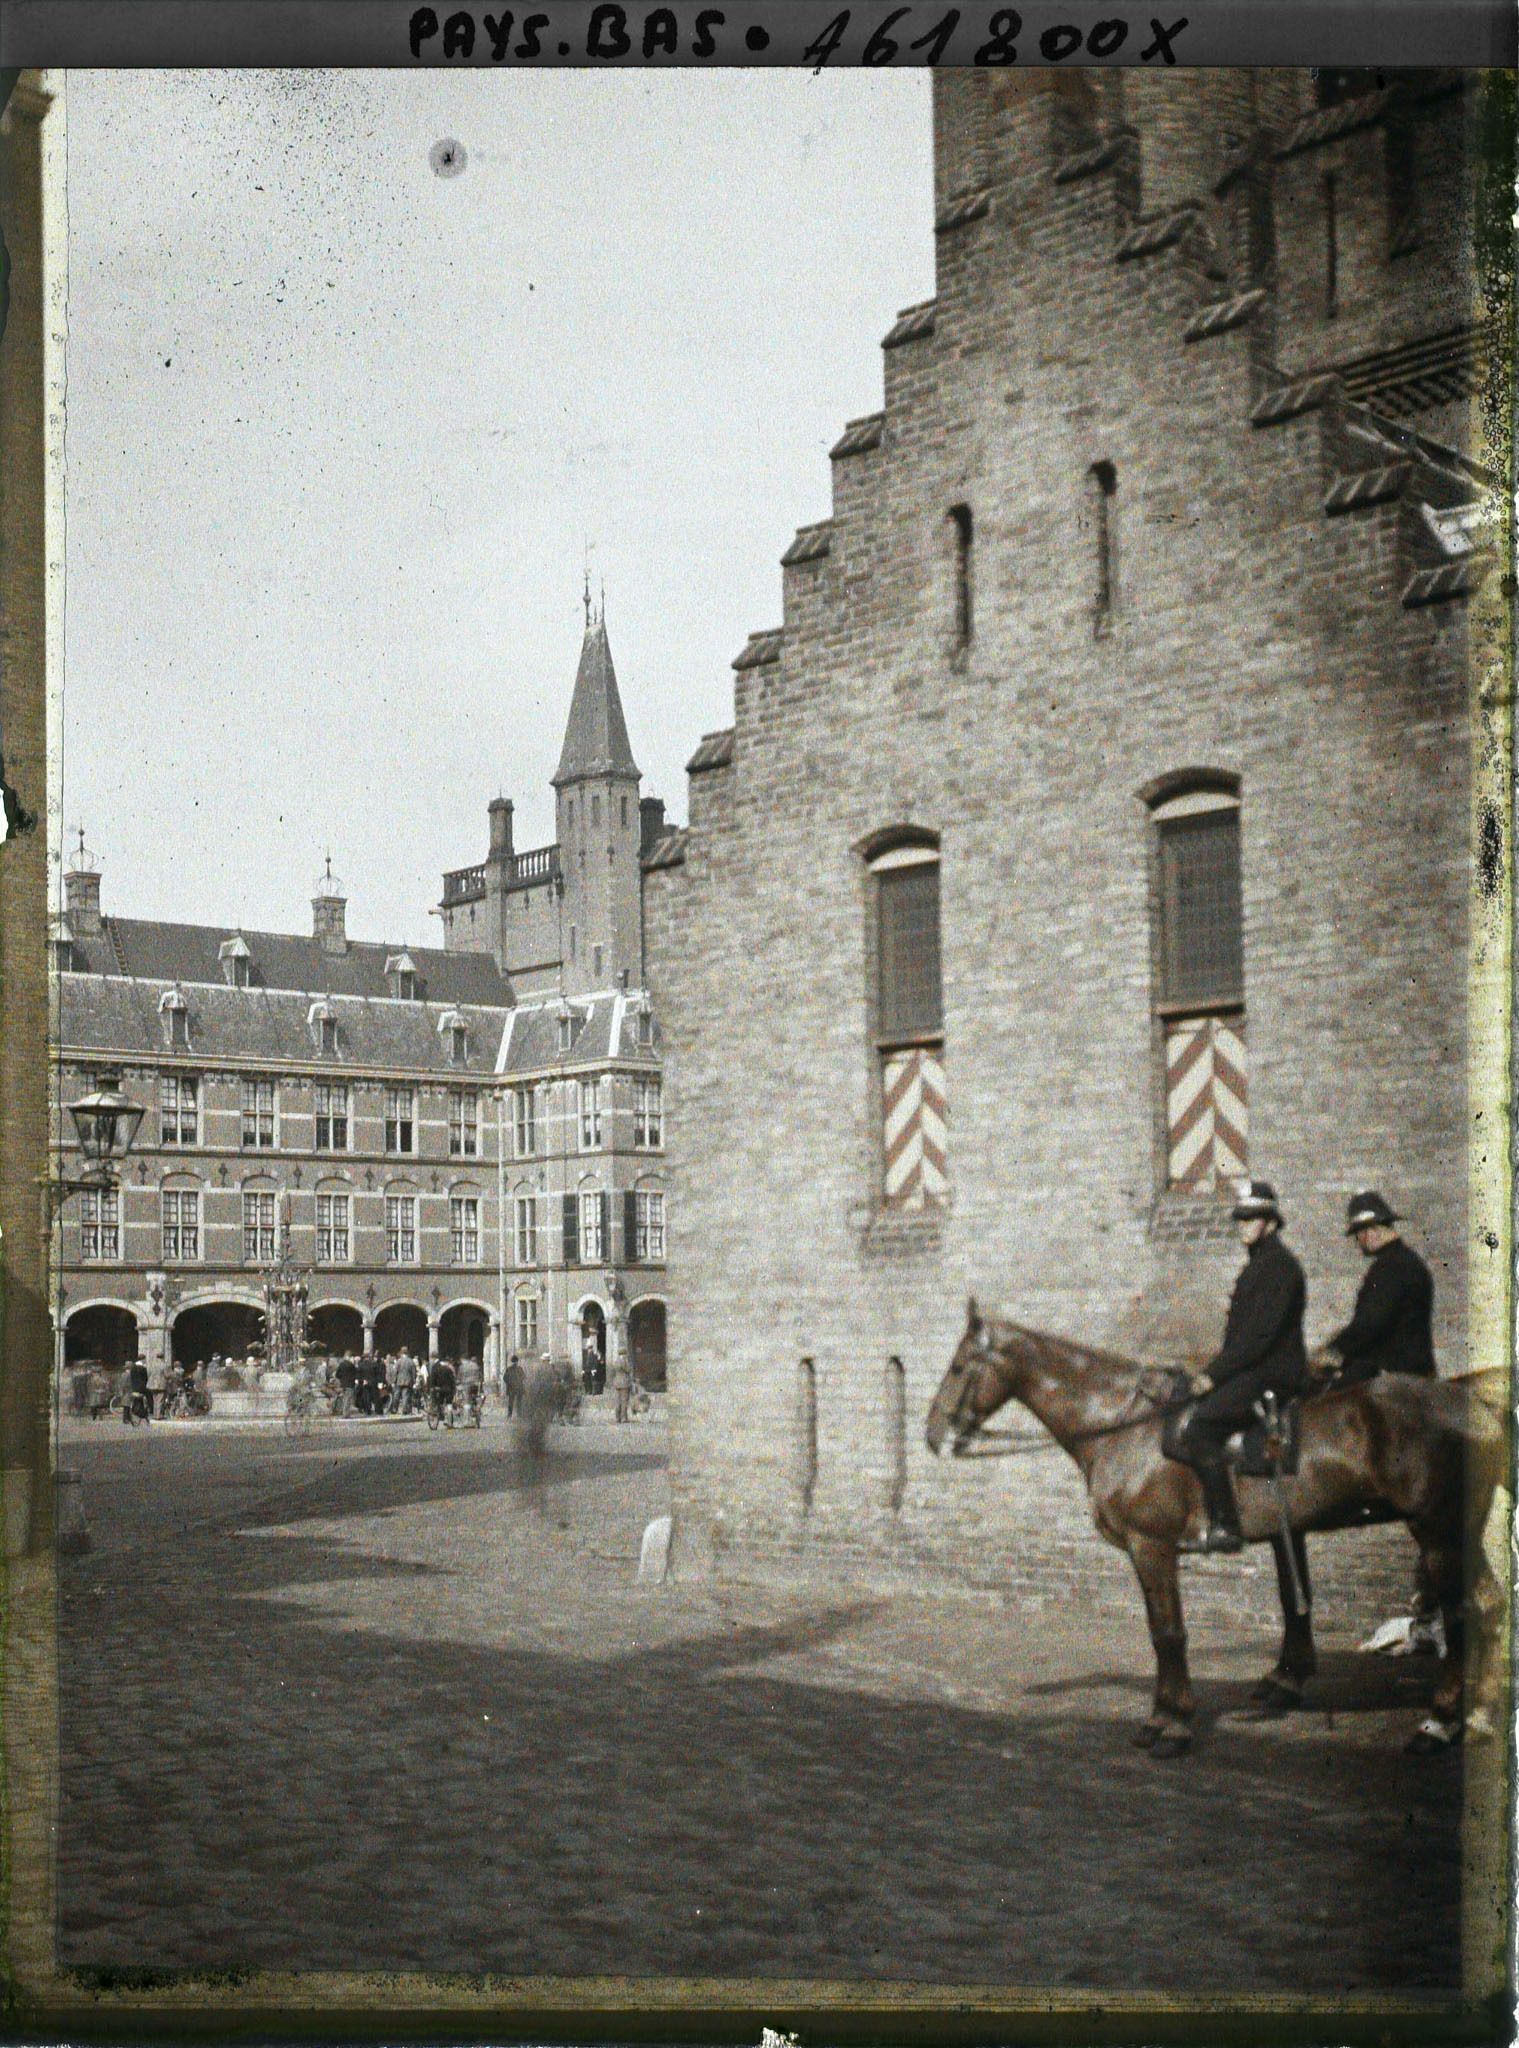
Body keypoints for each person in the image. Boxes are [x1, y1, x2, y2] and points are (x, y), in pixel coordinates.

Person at [1172, 1179, 1307, 1554]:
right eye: (1241, 1219)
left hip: (1273, 1374)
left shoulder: (1279, 1267)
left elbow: (1257, 1340)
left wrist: (1212, 1377)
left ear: (1272, 1223)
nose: (1243, 1226)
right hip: (1256, 1370)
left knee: (1201, 1428)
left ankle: (1226, 1526)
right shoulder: (1259, 1265)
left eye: (1252, 1219)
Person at [1313, 1191, 1436, 1385]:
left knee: (1322, 1395)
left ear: (1370, 1231)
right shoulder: (1410, 1261)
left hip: (1392, 1377)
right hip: (1417, 1372)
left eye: (1358, 1234)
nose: (1359, 1241)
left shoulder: (1388, 1268)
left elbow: (1368, 1325)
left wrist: (1333, 1350)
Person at [611, 1351, 633, 1424]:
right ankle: (624, 1418)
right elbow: (628, 1369)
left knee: (618, 1401)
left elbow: (613, 1371)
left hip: (617, 1383)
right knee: (624, 1401)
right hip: (624, 1383)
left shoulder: (616, 1361)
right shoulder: (624, 1361)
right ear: (624, 1353)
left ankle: (617, 1418)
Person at [504, 1353, 526, 1418]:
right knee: (519, 1402)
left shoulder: (509, 1369)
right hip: (519, 1387)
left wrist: (509, 1383)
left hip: (511, 1388)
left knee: (511, 1401)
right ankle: (519, 1414)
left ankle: (509, 1414)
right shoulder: (520, 1369)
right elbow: (523, 1377)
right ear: (517, 1361)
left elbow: (505, 1378)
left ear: (511, 1361)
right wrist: (519, 1382)